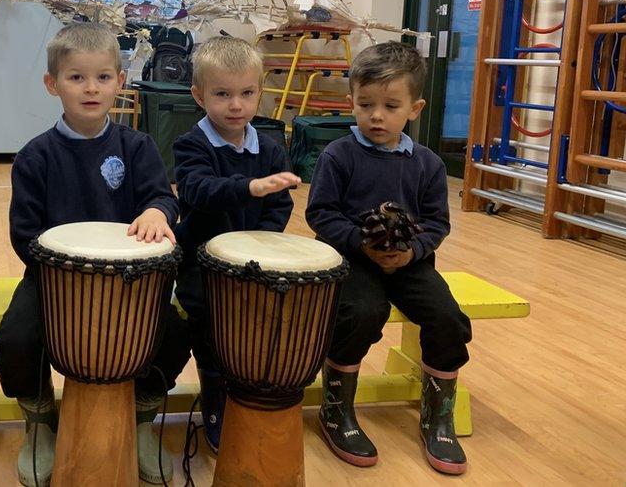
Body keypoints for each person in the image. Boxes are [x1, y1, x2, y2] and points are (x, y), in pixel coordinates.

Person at [0, 22, 186, 486]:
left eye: (102, 77)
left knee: (177, 335)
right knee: (16, 341)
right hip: (55, 283)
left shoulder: (137, 147)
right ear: (52, 84)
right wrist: (66, 267)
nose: (91, 88)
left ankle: (141, 420)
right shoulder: (36, 156)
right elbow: (25, 235)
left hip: (132, 285)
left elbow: (163, 199)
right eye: (76, 77)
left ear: (120, 82)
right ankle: (39, 420)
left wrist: (159, 212)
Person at [305, 41, 472, 475]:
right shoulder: (337, 155)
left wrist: (412, 252)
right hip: (352, 260)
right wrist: (360, 244)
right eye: (366, 104)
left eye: (390, 105)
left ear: (414, 108)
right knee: (361, 311)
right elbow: (320, 214)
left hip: (410, 264)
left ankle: (438, 417)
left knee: (448, 318)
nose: (376, 115)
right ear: (351, 103)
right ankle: (335, 409)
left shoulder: (429, 164)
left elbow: (437, 223)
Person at [171, 35, 298, 452]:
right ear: (198, 95)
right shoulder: (192, 144)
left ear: (260, 93)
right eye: (222, 94)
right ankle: (214, 395)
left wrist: (261, 239)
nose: (236, 105)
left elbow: (279, 206)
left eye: (246, 93)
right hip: (200, 262)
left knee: (257, 325)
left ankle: (249, 390)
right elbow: (198, 190)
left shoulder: (272, 147)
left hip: (253, 260)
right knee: (207, 328)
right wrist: (249, 187)